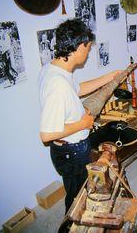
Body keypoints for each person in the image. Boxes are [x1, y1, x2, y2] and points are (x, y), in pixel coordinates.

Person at [38, 19, 122, 214]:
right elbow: (46, 134)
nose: (89, 51)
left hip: (70, 149)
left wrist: (110, 77)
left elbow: (78, 89)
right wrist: (83, 123)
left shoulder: (54, 70)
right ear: (79, 46)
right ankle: (72, 224)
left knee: (79, 190)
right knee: (78, 197)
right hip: (72, 152)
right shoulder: (57, 84)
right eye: (88, 47)